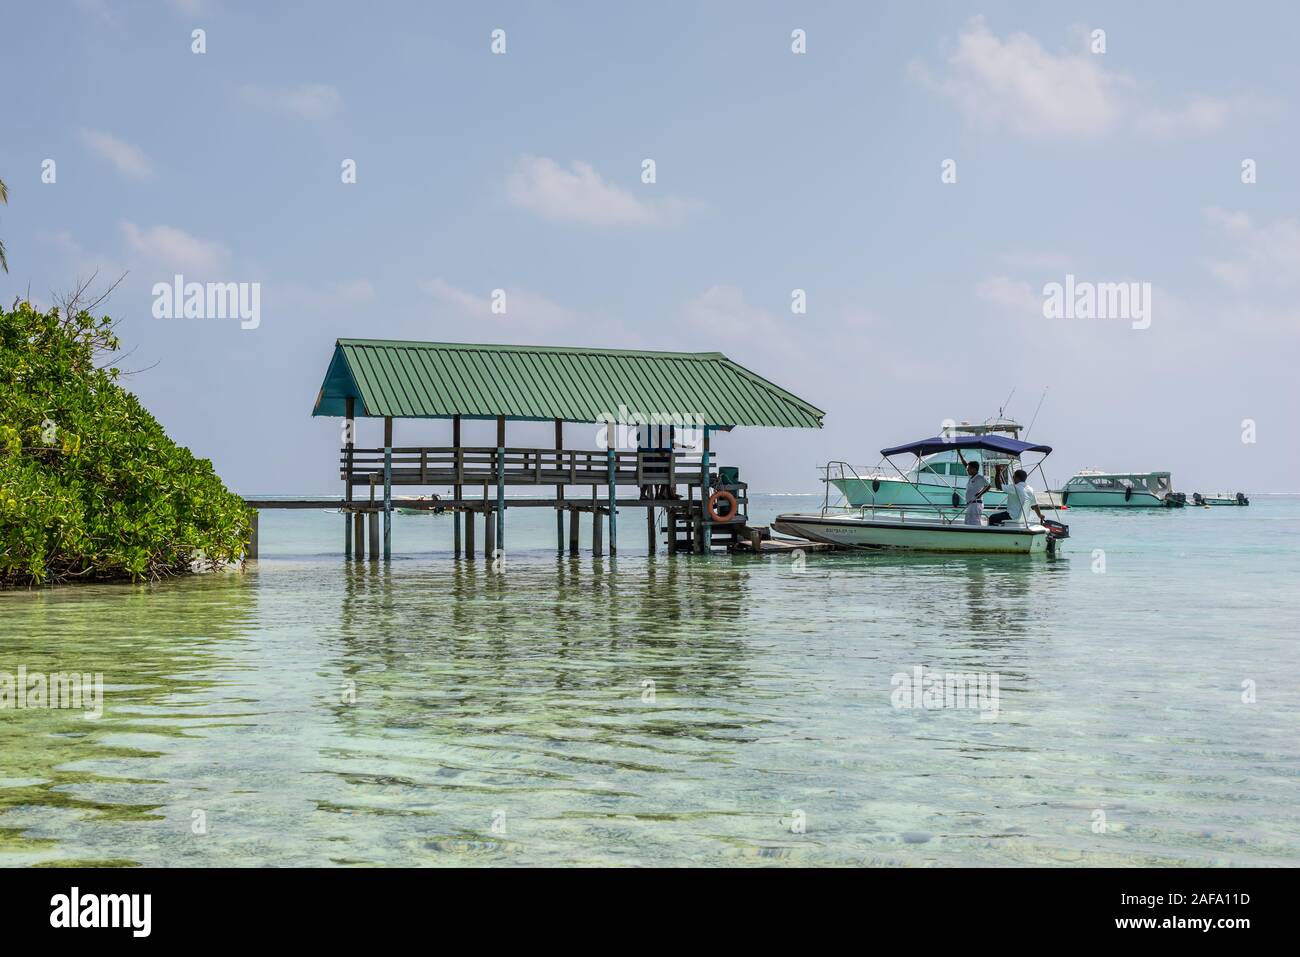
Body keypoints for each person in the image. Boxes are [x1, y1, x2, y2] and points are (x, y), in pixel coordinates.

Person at [957, 453, 990, 525]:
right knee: (967, 522)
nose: (967, 469)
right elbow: (965, 464)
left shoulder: (979, 477)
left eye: (969, 469)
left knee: (974, 523)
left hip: (976, 504)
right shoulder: (971, 476)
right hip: (970, 504)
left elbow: (988, 486)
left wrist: (980, 493)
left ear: (974, 469)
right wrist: (960, 454)